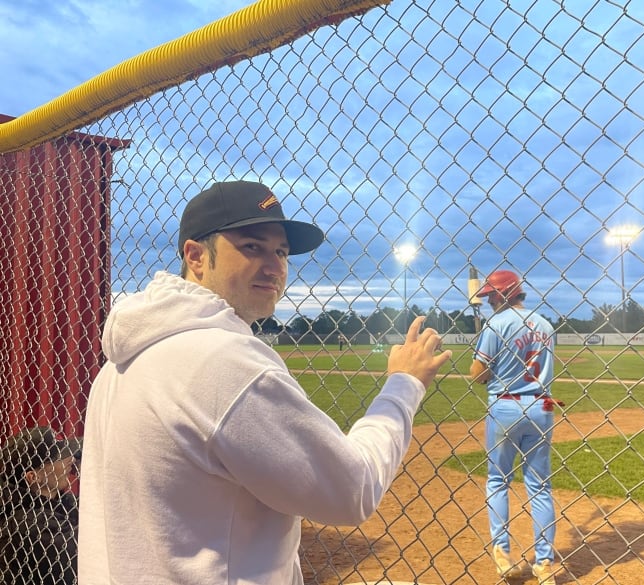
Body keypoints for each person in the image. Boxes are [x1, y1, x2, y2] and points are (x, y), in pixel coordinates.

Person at [78, 179, 451, 584]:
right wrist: (403, 385)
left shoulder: (120, 361)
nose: (275, 267)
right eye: (252, 247)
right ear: (197, 256)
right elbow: (353, 489)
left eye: (281, 252)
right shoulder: (225, 361)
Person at [470, 269, 558, 584]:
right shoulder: (546, 324)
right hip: (542, 406)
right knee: (540, 486)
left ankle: (502, 554)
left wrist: (480, 355)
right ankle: (545, 563)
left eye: (492, 294)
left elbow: (478, 374)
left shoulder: (496, 324)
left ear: (507, 294)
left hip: (505, 406)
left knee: (497, 481)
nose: (488, 300)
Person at [0, 426, 81, 585]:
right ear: (33, 476)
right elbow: (87, 554)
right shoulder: (27, 523)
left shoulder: (60, 503)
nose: (70, 459)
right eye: (59, 457)